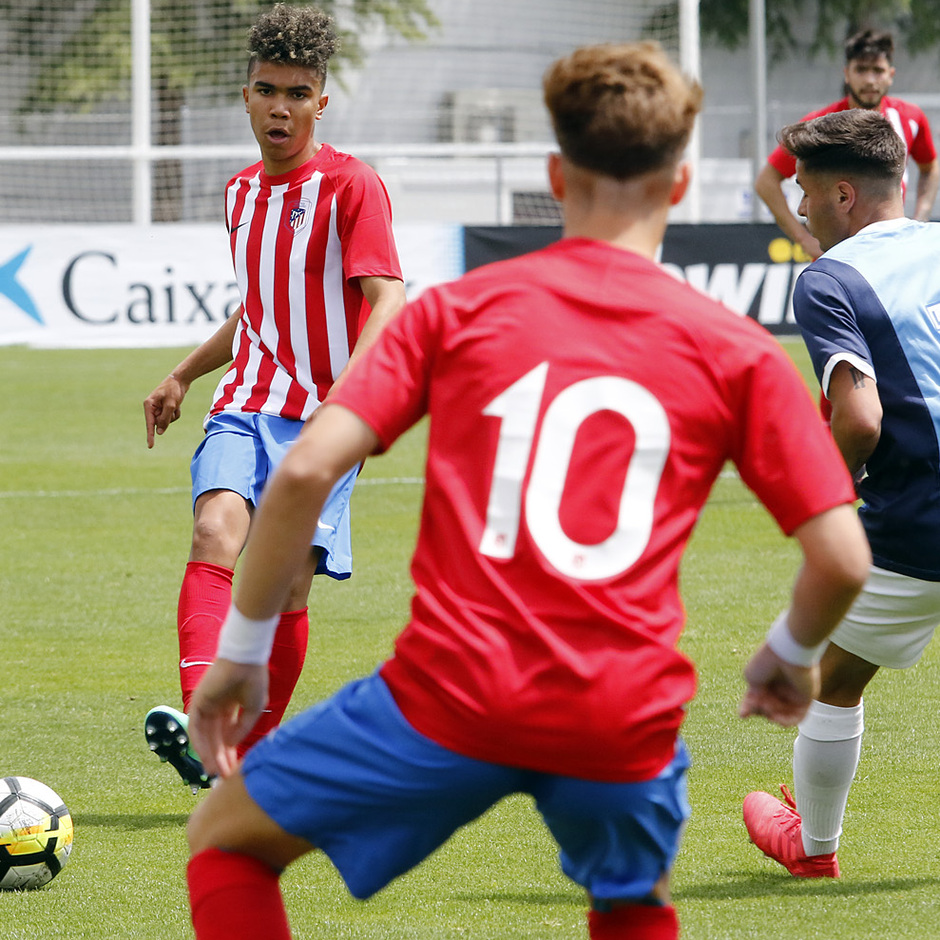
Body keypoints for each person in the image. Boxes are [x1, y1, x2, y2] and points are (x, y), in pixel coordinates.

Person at [183, 42, 870, 940]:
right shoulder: (736, 351)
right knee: (628, 903)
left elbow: (307, 468)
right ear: (678, 184)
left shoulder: (459, 311)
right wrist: (786, 653)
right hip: (621, 715)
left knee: (225, 842)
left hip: (449, 693)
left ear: (555, 174)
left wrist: (239, 655)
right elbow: (843, 559)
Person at [141, 2, 406, 791]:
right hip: (246, 402)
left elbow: (386, 298)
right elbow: (260, 305)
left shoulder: (352, 187)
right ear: (247, 95)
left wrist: (348, 401)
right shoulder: (238, 193)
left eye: (297, 92)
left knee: (286, 583)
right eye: (267, 89)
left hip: (327, 415)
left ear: (321, 100)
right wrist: (185, 374)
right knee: (214, 530)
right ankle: (201, 720)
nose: (281, 106)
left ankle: (243, 763)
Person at [744, 108, 940, 878]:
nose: (797, 208)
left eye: (805, 192)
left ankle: (812, 848)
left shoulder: (829, 279)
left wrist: (826, 500)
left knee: (833, 679)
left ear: (846, 197)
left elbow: (859, 420)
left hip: (919, 519)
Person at [755, 28, 938, 260]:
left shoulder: (911, 118)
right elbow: (766, 182)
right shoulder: (819, 125)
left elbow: (930, 168)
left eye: (878, 70)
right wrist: (804, 239)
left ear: (891, 74)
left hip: (892, 252)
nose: (870, 80)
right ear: (847, 74)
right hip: (838, 257)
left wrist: (920, 216)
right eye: (861, 70)